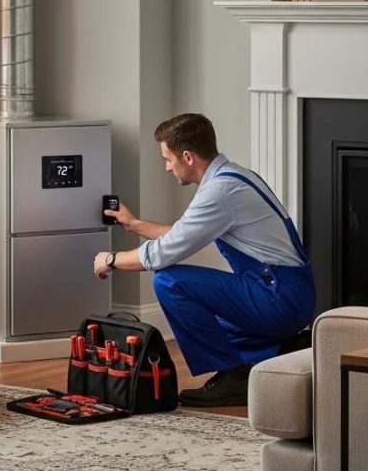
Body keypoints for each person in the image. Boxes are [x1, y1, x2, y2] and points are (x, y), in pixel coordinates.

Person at [92, 113, 315, 407]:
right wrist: (134, 224)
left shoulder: (220, 192)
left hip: (278, 296)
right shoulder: (233, 177)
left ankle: (232, 377)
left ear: (187, 156)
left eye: (168, 159)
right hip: (285, 293)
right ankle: (283, 347)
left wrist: (110, 259)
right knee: (205, 318)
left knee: (169, 281)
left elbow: (164, 252)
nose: (167, 167)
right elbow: (185, 233)